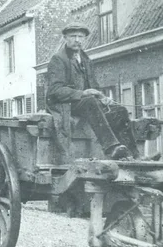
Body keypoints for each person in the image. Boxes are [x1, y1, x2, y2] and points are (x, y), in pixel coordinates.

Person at [46, 22, 138, 160]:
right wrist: (82, 93)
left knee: (120, 110)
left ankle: (134, 155)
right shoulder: (58, 59)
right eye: (73, 36)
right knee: (90, 101)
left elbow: (94, 85)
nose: (77, 40)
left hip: (86, 103)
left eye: (80, 37)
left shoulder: (85, 59)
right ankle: (111, 148)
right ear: (65, 38)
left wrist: (101, 96)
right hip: (65, 105)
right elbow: (55, 91)